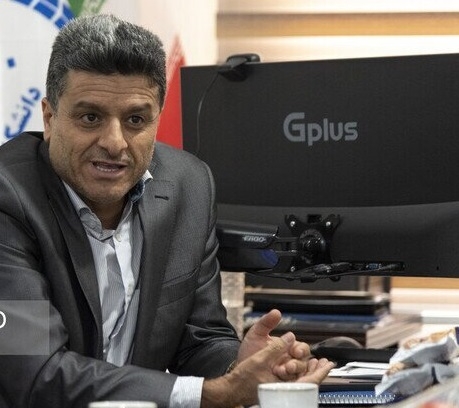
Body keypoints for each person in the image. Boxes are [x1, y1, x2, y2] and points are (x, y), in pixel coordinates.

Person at [0, 14, 334, 408]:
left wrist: (241, 368)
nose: (114, 142)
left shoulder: (188, 185)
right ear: (49, 118)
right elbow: (35, 375)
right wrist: (211, 394)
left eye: (135, 120)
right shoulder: (8, 195)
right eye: (90, 117)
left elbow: (200, 339)